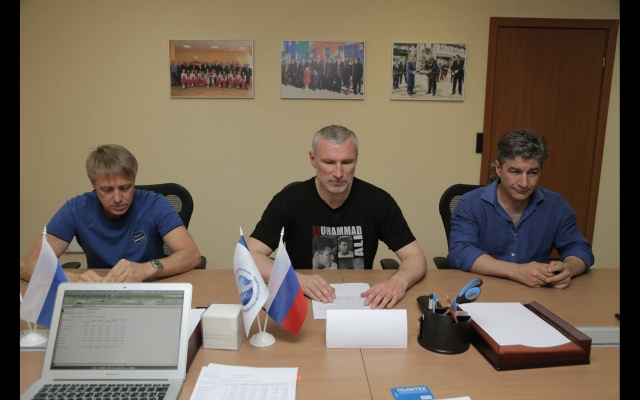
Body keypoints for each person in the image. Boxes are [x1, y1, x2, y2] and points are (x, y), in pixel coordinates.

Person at [247, 125, 427, 309]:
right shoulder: (288, 201)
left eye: (347, 162)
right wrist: (295, 279)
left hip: (361, 302)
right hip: (304, 300)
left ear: (357, 159)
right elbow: (250, 255)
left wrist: (398, 282)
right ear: (313, 159)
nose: (339, 173)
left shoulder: (378, 201)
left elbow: (415, 257)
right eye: (329, 162)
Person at [19, 144, 202, 283]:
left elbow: (191, 254)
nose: (117, 198)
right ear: (93, 183)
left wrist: (148, 268)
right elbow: (27, 264)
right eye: (107, 190)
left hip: (149, 285)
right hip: (99, 290)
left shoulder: (155, 204)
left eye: (125, 188)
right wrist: (75, 279)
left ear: (133, 180)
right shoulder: (76, 209)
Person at [447, 129, 594, 289]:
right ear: (498, 169)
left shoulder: (555, 204)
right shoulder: (470, 203)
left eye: (532, 173)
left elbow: (579, 249)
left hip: (537, 293)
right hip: (484, 290)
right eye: (515, 172)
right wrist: (516, 271)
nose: (524, 183)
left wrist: (568, 269)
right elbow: (461, 251)